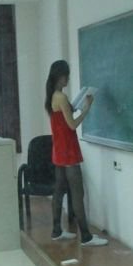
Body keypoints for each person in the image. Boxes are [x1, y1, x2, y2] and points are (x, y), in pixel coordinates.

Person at [44, 60, 108, 247]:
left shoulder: (52, 96)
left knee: (59, 190)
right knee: (77, 192)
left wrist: (74, 107)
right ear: (59, 76)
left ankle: (56, 230)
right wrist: (86, 108)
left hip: (59, 149)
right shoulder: (61, 97)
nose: (68, 79)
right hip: (68, 150)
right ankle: (86, 236)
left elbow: (63, 121)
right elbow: (72, 125)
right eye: (66, 75)